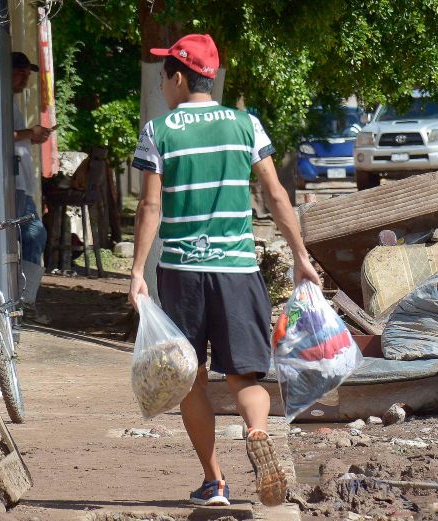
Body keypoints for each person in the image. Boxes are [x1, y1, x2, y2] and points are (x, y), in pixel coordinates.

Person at [127, 34, 320, 507]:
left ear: (178, 77)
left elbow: (150, 205)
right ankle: (256, 432)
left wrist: (135, 271)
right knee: (246, 378)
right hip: (237, 269)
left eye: (163, 75)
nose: (162, 84)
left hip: (182, 272)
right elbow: (276, 195)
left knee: (192, 377)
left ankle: (215, 483)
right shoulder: (246, 125)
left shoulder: (160, 131)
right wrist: (300, 255)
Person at [11, 52, 52, 324]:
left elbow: (14, 138)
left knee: (31, 237)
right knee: (35, 234)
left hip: (21, 184)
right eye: (21, 72)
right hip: (10, 184)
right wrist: (30, 133)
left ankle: (22, 300)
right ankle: (24, 301)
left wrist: (32, 138)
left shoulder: (10, 101)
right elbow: (1, 134)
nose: (26, 78)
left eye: (28, 73)